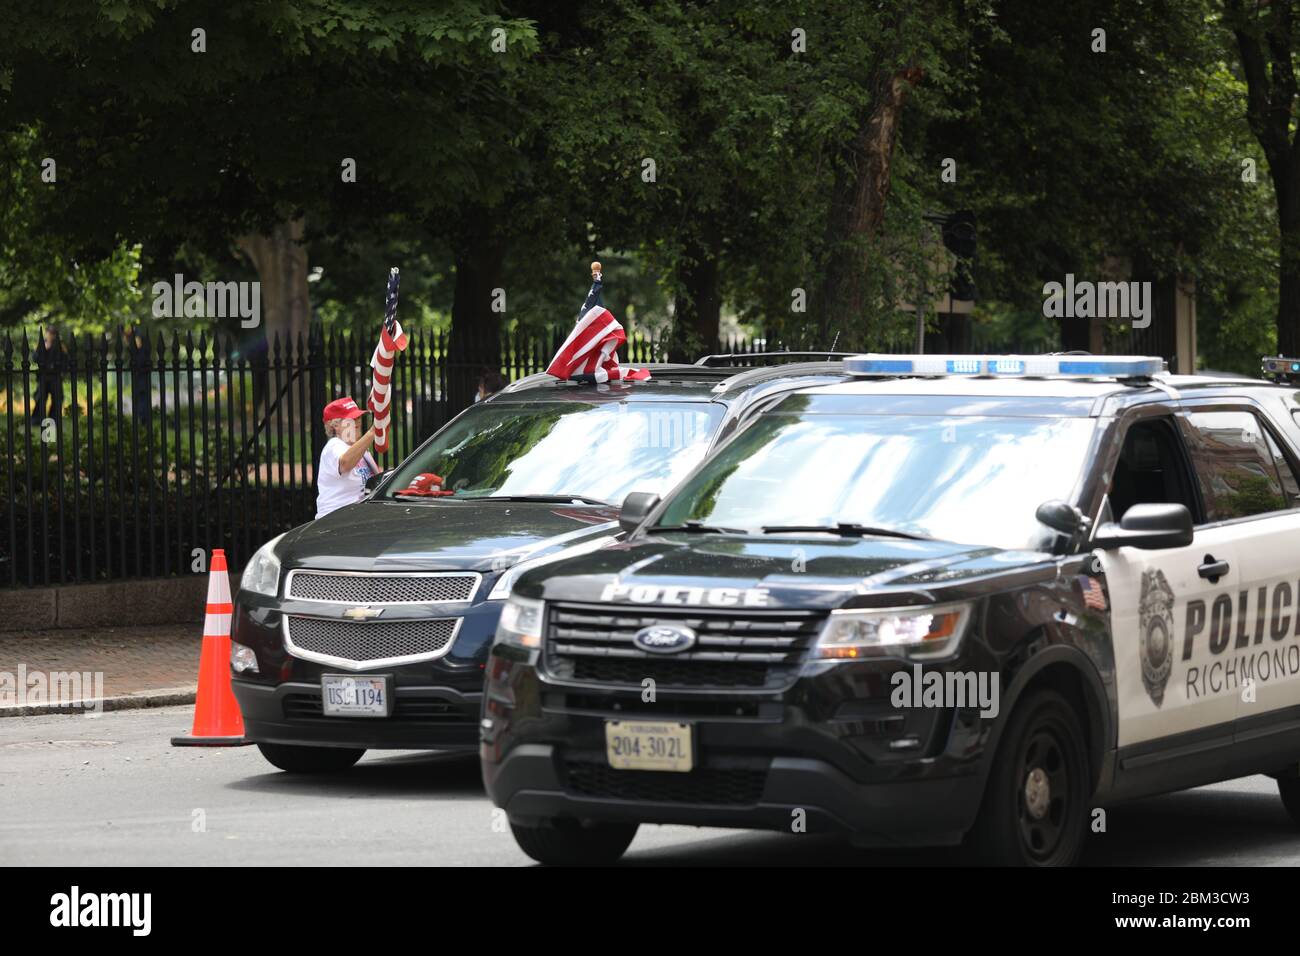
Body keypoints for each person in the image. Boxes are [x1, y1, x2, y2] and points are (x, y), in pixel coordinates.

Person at [316, 396, 383, 519]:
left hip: (356, 519)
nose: (357, 421)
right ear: (335, 425)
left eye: (358, 417)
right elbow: (345, 463)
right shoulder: (334, 445)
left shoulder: (362, 451)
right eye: (351, 419)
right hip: (335, 521)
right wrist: (373, 432)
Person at [30, 326, 67, 425]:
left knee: (57, 399)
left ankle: (53, 420)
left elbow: (65, 359)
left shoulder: (60, 345)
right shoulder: (41, 344)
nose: (50, 335)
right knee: (40, 398)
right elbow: (34, 358)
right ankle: (36, 419)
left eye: (52, 333)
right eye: (49, 333)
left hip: (55, 376)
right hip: (43, 376)